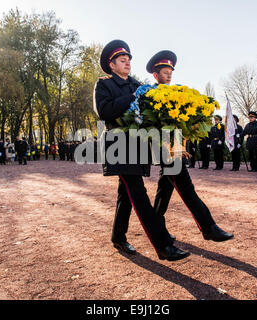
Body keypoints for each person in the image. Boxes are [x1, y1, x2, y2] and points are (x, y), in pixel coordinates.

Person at [95, 40, 189, 261]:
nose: (127, 62)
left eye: (128, 59)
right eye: (122, 60)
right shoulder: (104, 85)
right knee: (138, 194)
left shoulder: (137, 84)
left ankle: (118, 236)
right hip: (119, 146)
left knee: (125, 195)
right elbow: (104, 111)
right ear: (111, 65)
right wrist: (132, 97)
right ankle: (163, 245)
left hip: (137, 144)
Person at [147, 50, 234, 245]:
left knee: (164, 189)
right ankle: (208, 227)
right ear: (155, 75)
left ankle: (156, 226)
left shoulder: (179, 93)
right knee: (186, 187)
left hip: (177, 146)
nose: (169, 75)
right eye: (164, 72)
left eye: (170, 71)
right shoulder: (149, 95)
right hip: (164, 149)